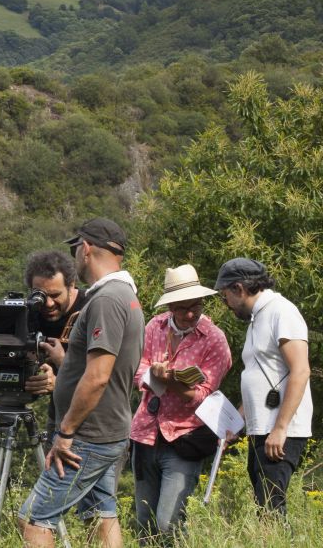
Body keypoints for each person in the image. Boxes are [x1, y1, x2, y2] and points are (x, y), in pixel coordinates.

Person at [19, 218, 144, 548]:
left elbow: (99, 375)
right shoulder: (125, 295)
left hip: (88, 435)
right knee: (101, 515)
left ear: (85, 248)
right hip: (107, 430)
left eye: (76, 248)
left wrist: (66, 432)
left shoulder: (105, 301)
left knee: (33, 520)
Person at [130, 265, 231, 543]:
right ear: (171, 306)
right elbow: (136, 371)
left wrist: (170, 381)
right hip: (145, 435)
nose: (190, 314)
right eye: (183, 308)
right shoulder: (154, 327)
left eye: (196, 306)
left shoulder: (214, 339)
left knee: (167, 522)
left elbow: (203, 393)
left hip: (184, 438)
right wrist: (154, 375)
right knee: (144, 521)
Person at [214, 258, 312, 516]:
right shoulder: (258, 318)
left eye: (225, 298)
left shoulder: (282, 311)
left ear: (239, 288)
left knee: (271, 507)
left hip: (279, 430)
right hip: (261, 428)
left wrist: (280, 429)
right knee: (265, 506)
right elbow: (259, 378)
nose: (227, 306)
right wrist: (235, 424)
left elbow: (300, 370)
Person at [22, 250, 88, 429]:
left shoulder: (91, 308)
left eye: (55, 295)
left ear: (71, 285)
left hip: (92, 425)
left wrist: (61, 370)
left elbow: (104, 376)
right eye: (42, 296)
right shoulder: (32, 312)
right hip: (57, 417)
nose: (49, 304)